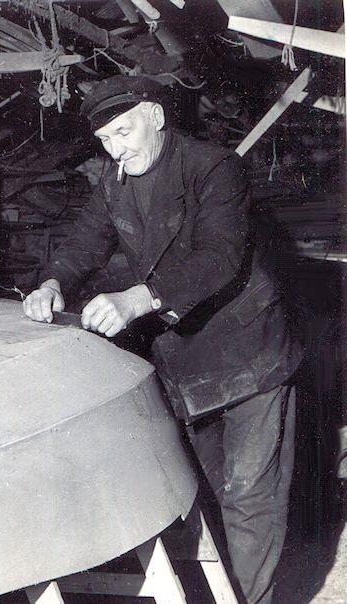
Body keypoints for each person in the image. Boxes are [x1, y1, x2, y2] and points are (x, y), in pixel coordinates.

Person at [23, 75, 301, 604]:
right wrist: (52, 282)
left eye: (123, 133)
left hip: (250, 355)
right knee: (214, 494)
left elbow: (219, 257)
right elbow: (85, 241)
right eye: (104, 141)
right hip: (188, 366)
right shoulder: (115, 180)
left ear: (155, 114)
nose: (116, 150)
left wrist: (137, 299)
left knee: (249, 498)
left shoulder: (214, 167)